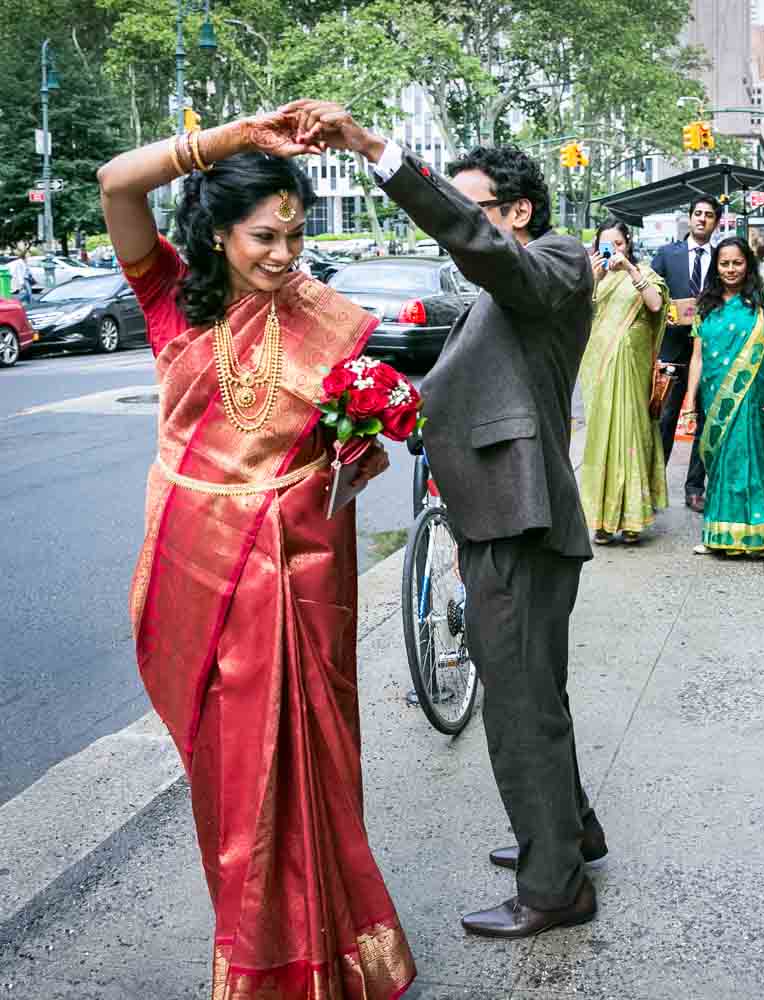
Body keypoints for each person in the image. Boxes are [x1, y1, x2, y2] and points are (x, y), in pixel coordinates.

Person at [96, 113, 414, 996]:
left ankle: (340, 954)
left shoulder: (323, 318)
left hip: (302, 575)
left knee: (317, 765)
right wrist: (235, 136)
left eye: (296, 234)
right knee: (236, 785)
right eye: (265, 237)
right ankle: (261, 961)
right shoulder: (168, 292)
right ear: (219, 233)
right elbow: (118, 182)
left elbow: (328, 452)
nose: (284, 254)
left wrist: (357, 447)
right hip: (203, 576)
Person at [288, 99, 606, 934]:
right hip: (496, 515)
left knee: (517, 703)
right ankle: (569, 838)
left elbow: (472, 244)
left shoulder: (558, 262)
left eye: (471, 211)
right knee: (535, 692)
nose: (454, 233)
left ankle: (554, 888)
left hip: (521, 518)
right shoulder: (501, 293)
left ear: (516, 213)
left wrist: (373, 149)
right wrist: (381, 405)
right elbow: (464, 390)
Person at [681, 237, 764, 558]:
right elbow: (698, 358)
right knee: (719, 464)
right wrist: (689, 402)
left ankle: (758, 538)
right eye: (724, 263)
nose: (731, 270)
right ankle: (717, 534)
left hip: (758, 394)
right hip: (715, 396)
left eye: (737, 263)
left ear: (748, 264)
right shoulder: (707, 305)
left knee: (755, 460)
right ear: (716, 267)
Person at [579, 218, 669, 545]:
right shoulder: (593, 279)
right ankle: (601, 521)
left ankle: (632, 519)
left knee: (632, 433)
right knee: (602, 439)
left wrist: (631, 270)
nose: (613, 251)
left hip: (633, 368)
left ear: (628, 245)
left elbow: (656, 304)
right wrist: (593, 277)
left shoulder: (644, 274)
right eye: (607, 245)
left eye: (618, 244)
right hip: (599, 368)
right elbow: (574, 315)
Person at [652, 197, 723, 512]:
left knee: (705, 421)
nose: (702, 219)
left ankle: (695, 488)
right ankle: (653, 485)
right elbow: (650, 292)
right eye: (698, 213)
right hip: (671, 350)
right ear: (689, 218)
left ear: (716, 222)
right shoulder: (668, 254)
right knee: (664, 420)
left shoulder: (724, 257)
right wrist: (665, 311)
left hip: (709, 352)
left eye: (709, 215)